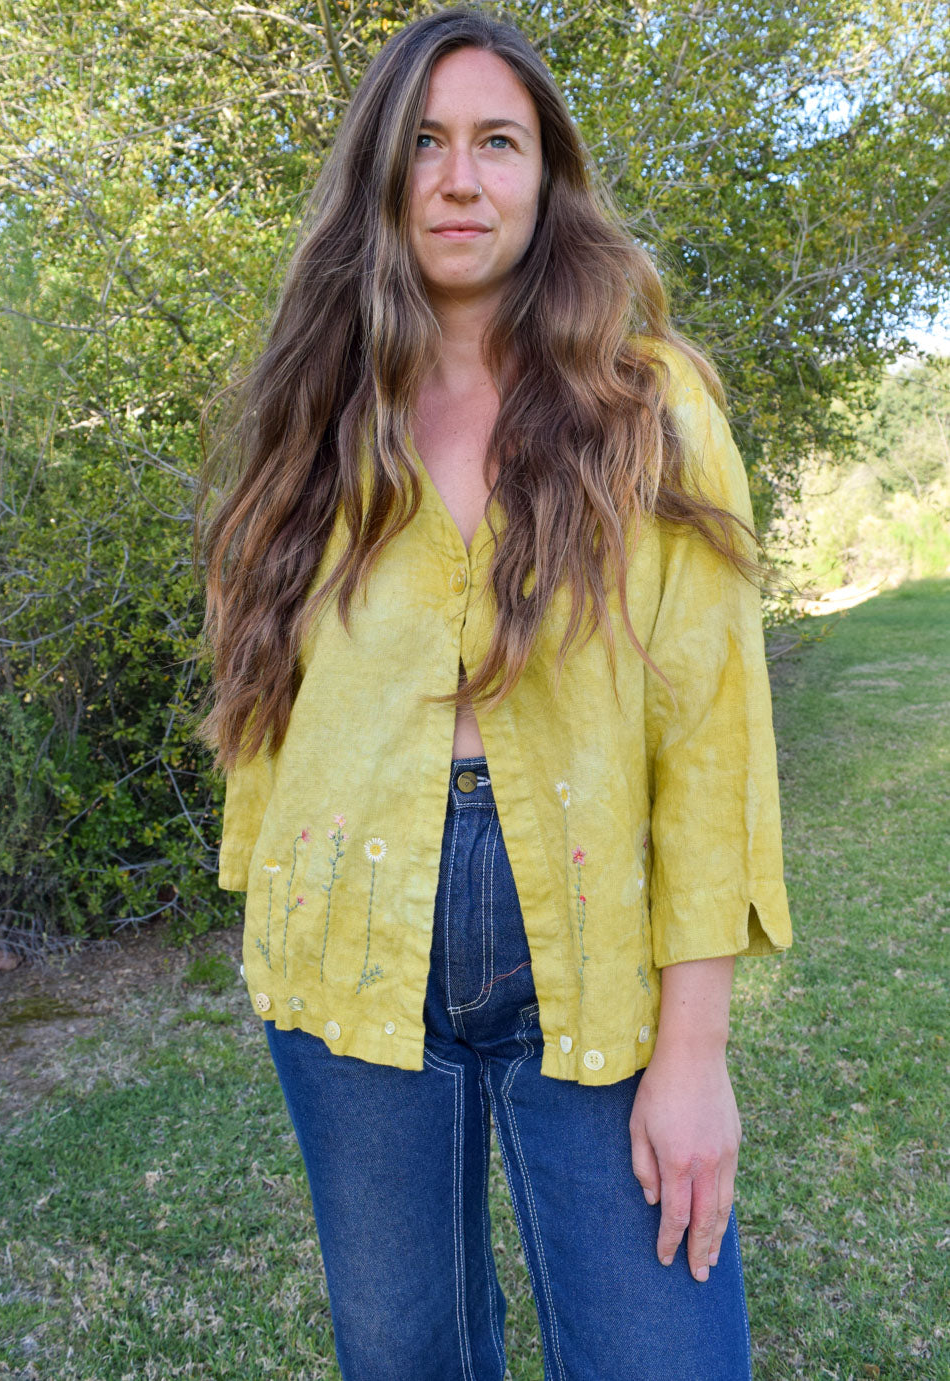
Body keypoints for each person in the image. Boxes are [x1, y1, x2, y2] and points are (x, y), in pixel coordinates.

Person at [194, 6, 792, 1378]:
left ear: (547, 176)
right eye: (426, 144)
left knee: (666, 1356)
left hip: (591, 931)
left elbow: (710, 739)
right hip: (352, 931)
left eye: (498, 143)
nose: (460, 179)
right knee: (404, 1354)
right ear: (382, 176)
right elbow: (264, 682)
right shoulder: (320, 405)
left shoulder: (651, 404)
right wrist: (271, 894)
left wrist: (694, 1052)